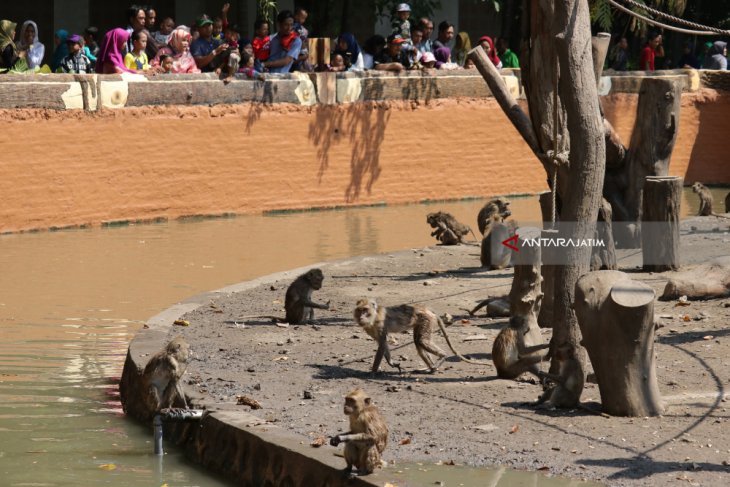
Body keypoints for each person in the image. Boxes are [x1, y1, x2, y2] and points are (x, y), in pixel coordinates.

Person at [292, 7, 311, 71]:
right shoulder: (295, 26)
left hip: (302, 51)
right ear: (296, 16)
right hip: (298, 51)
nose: (304, 20)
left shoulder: (301, 28)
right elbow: (301, 37)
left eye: (305, 18)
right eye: (302, 18)